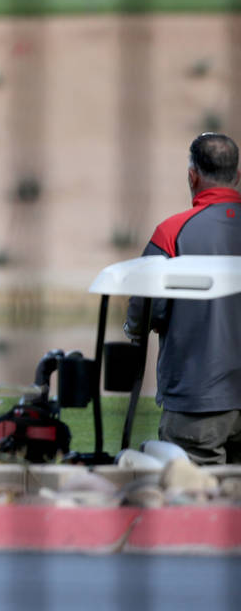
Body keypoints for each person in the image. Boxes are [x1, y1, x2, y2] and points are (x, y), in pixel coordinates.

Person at [125, 132, 241, 464]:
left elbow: (145, 310)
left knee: (193, 500)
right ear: (236, 176)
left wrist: (134, 329)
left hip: (197, 400)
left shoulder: (172, 232)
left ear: (192, 176)